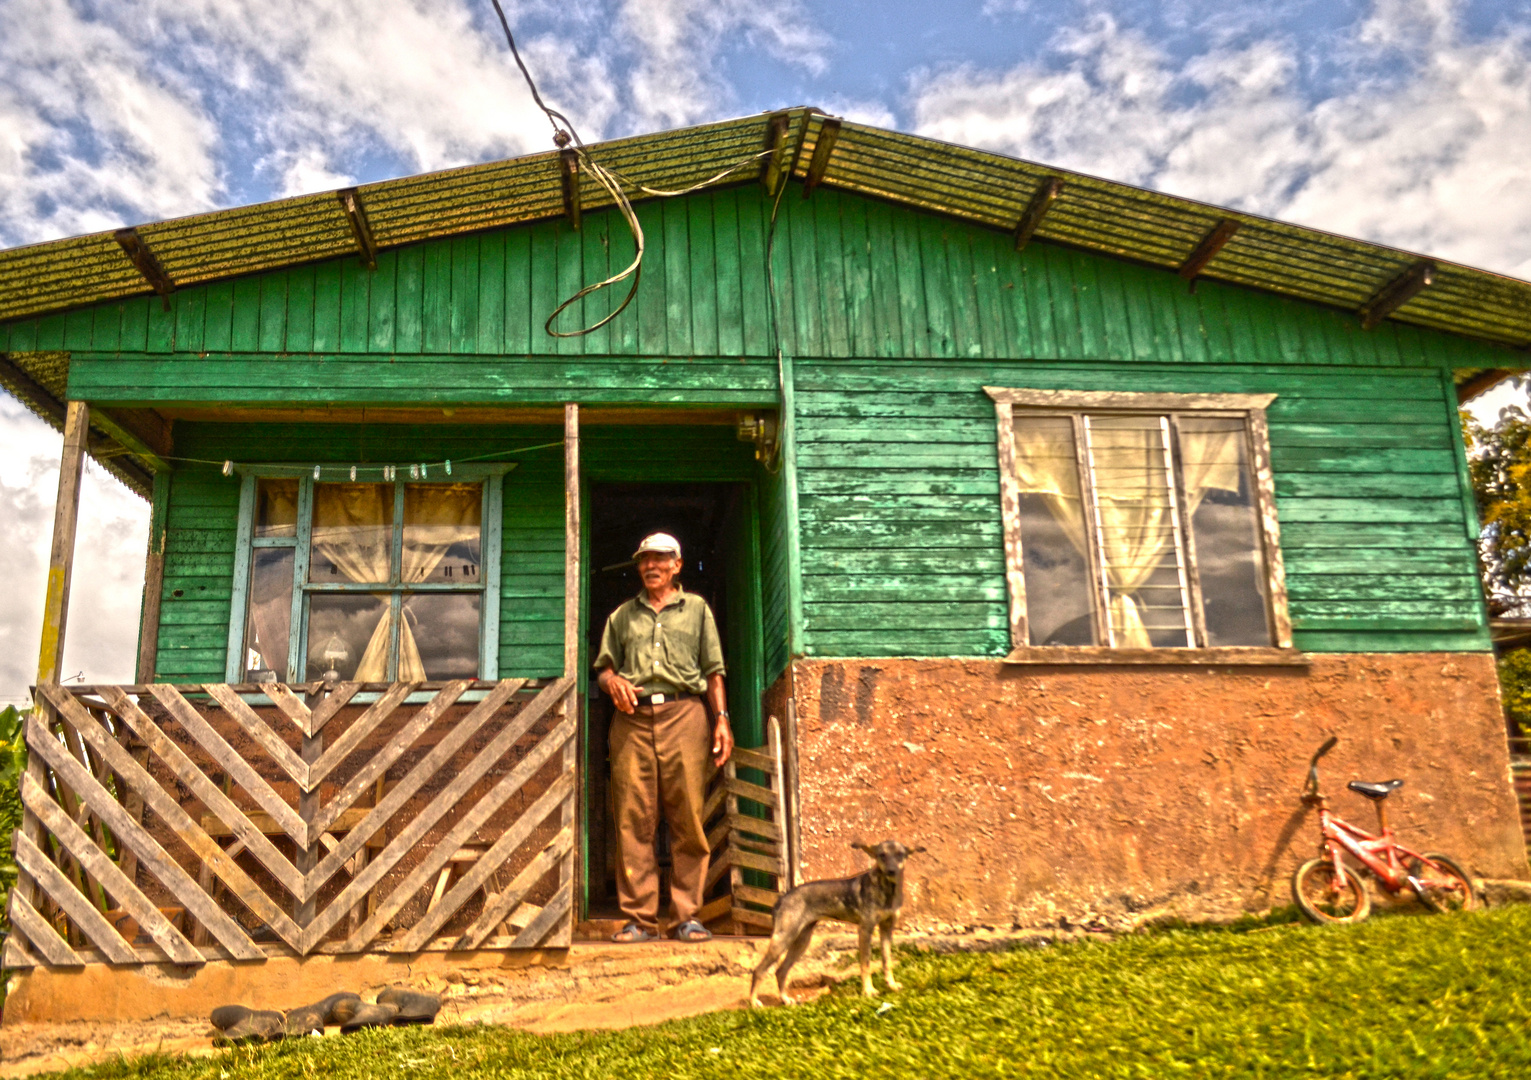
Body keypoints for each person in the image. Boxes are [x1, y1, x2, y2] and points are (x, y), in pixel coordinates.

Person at [595, 532, 734, 943]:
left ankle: (686, 917)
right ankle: (639, 919)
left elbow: (713, 671)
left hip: (686, 715)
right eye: (643, 560)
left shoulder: (697, 610)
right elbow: (602, 670)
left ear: (677, 564)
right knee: (632, 820)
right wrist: (612, 681)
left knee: (688, 817)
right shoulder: (622, 616)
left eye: (659, 559)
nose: (650, 566)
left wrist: (721, 719)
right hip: (632, 720)